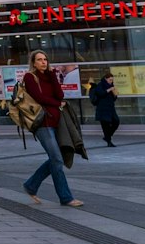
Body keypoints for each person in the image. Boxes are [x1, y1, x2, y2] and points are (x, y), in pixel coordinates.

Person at [19, 51, 82, 207]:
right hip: (42, 123)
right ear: (33, 63)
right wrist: (56, 103)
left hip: (56, 122)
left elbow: (59, 95)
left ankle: (31, 185)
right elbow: (39, 98)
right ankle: (66, 197)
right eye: (39, 60)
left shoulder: (51, 76)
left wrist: (53, 77)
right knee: (57, 159)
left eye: (45, 59)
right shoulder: (30, 77)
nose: (43, 62)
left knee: (56, 158)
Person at [88, 71, 120, 147]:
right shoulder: (100, 85)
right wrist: (109, 90)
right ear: (106, 79)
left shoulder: (111, 85)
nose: (111, 81)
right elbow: (100, 93)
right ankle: (109, 141)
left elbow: (113, 98)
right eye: (110, 80)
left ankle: (107, 137)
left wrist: (115, 95)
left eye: (112, 80)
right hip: (102, 108)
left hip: (110, 108)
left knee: (116, 121)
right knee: (105, 126)